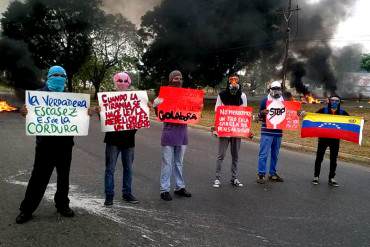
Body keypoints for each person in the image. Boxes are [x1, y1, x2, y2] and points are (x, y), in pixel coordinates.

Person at [16, 66, 89, 224]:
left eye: (61, 75)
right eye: (55, 74)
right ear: (48, 77)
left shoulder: (71, 98)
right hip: (45, 145)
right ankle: (26, 209)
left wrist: (88, 112)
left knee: (64, 177)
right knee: (38, 177)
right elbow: (29, 114)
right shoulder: (38, 95)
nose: (58, 77)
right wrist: (24, 112)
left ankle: (62, 205)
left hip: (65, 144)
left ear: (65, 78)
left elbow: (80, 117)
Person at [153, 70, 192, 201]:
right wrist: (158, 105)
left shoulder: (186, 94)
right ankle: (164, 189)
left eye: (180, 78)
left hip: (182, 133)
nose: (178, 80)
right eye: (175, 78)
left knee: (179, 162)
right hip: (169, 133)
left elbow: (193, 109)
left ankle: (179, 187)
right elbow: (156, 105)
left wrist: (198, 107)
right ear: (170, 80)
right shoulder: (164, 94)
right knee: (167, 163)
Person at [102, 72, 139, 206]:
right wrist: (101, 111)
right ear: (115, 81)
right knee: (110, 169)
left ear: (128, 82)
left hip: (129, 140)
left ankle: (127, 193)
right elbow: (104, 120)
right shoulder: (108, 97)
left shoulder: (135, 99)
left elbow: (139, 117)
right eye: (119, 80)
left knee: (128, 169)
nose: (122, 83)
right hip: (112, 140)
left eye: (125, 80)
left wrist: (147, 109)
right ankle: (109, 195)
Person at [213, 74, 248, 188]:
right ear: (228, 82)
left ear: (239, 82)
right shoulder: (222, 95)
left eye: (236, 80)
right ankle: (217, 178)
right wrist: (216, 128)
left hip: (236, 130)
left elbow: (244, 113)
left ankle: (234, 178)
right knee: (221, 155)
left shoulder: (242, 95)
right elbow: (217, 110)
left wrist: (245, 129)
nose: (234, 82)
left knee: (235, 155)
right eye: (231, 80)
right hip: (224, 129)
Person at [312, 95, 349, 187]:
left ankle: (331, 178)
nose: (334, 102)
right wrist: (304, 114)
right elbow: (312, 117)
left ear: (339, 102)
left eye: (337, 101)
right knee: (319, 158)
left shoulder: (342, 112)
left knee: (333, 159)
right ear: (329, 101)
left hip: (335, 140)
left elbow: (351, 121)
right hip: (323, 138)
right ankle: (316, 177)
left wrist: (361, 121)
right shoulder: (323, 110)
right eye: (332, 100)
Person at [256, 80, 285, 184]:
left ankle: (272, 173)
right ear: (270, 90)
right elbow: (258, 117)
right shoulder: (265, 100)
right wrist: (261, 113)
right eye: (274, 89)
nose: (276, 91)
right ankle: (261, 174)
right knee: (263, 153)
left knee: (275, 154)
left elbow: (289, 114)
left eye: (278, 89)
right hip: (267, 131)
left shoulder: (284, 101)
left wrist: (298, 113)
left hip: (278, 132)